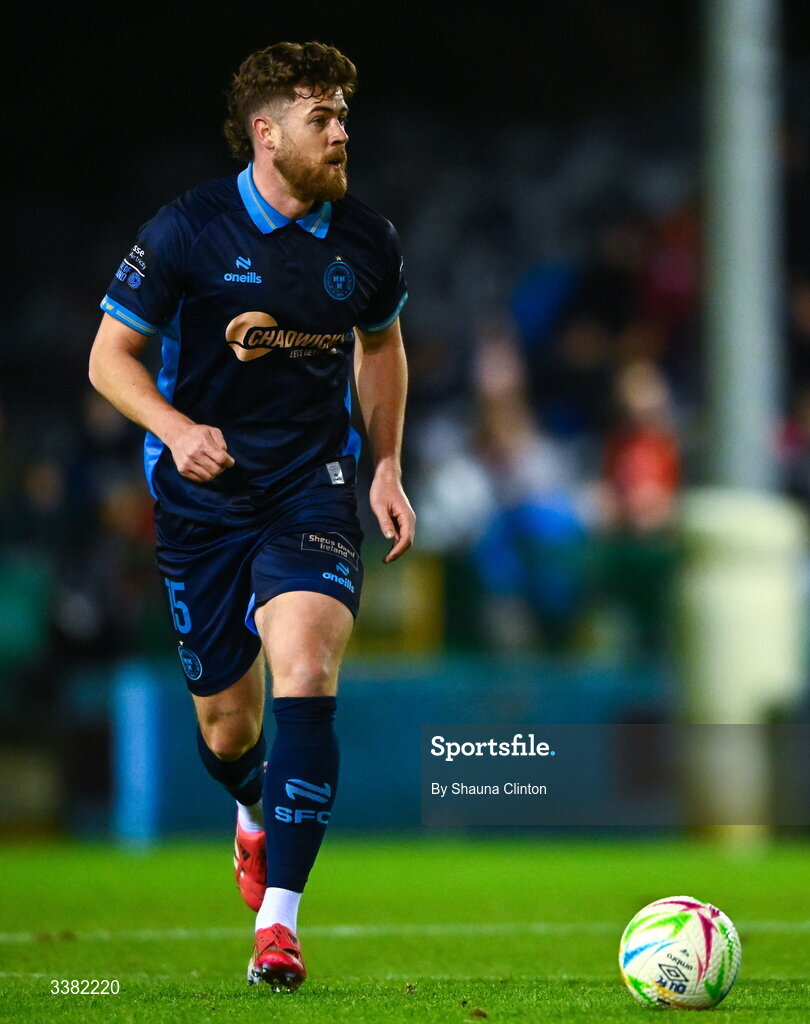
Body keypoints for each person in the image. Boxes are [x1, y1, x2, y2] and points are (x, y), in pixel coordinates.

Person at [88, 40, 415, 993]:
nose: (343, 132)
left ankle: (279, 927)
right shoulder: (186, 231)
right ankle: (253, 808)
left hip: (310, 485)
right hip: (200, 498)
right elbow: (111, 358)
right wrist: (176, 426)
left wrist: (387, 462)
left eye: (344, 115)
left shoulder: (367, 239)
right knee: (230, 732)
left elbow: (382, 346)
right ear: (267, 133)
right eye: (324, 118)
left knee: (306, 665)